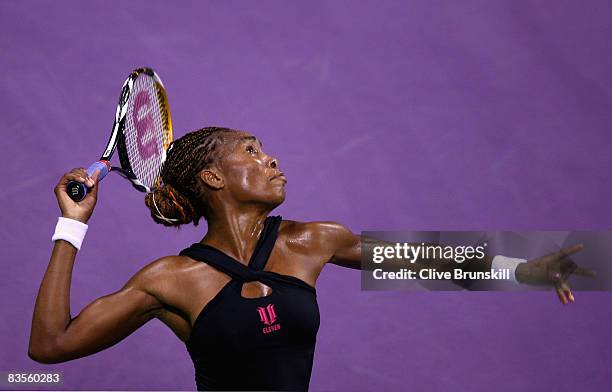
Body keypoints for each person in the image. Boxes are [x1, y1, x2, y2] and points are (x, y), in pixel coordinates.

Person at [29, 127, 590, 391]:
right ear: (213, 176)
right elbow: (50, 346)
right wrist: (71, 226)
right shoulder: (172, 280)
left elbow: (423, 261)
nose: (271, 157)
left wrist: (525, 268)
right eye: (251, 150)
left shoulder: (313, 241)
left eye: (265, 148)